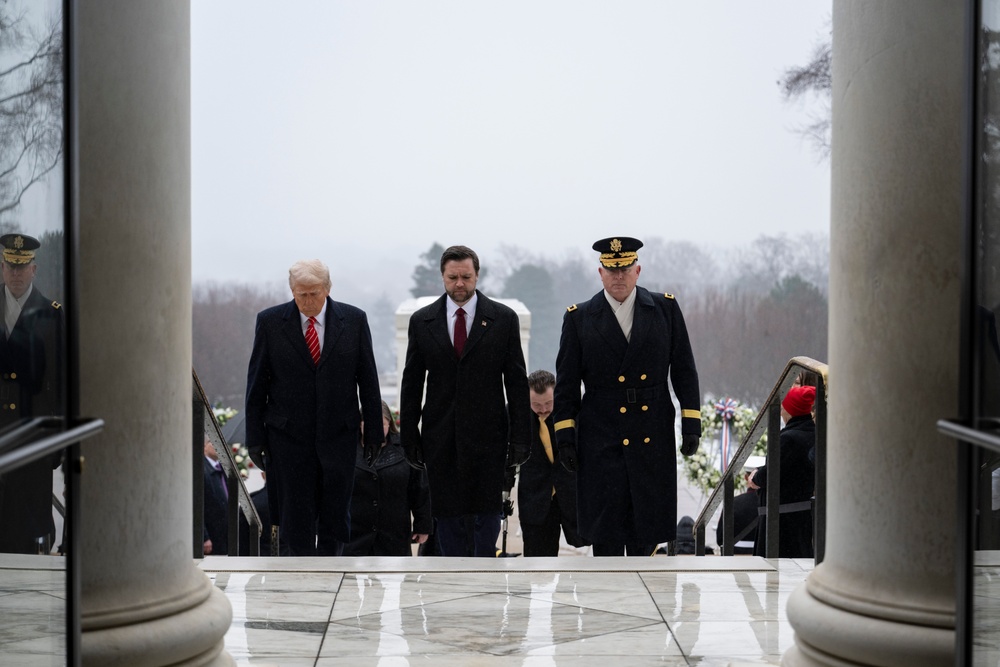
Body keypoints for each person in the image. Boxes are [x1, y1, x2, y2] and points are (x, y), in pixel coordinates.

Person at [553, 236, 702, 557]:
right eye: (611, 270)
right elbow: (566, 384)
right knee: (606, 529)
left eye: (625, 269)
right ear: (600, 273)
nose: (618, 276)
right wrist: (565, 436)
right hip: (600, 433)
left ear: (638, 271)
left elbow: (684, 370)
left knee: (646, 527)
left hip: (652, 428)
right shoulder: (579, 318)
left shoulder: (664, 309)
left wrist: (692, 422)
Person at [244, 259, 383, 556]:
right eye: (301, 294)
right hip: (288, 439)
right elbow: (257, 384)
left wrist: (373, 433)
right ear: (292, 291)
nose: (307, 301)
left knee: (335, 516)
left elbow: (368, 380)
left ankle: (333, 574)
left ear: (328, 289)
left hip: (339, 435)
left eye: (314, 293)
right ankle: (299, 579)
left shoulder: (354, 320)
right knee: (295, 518)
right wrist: (255, 438)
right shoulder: (270, 322)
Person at [399, 245, 531, 557]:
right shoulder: (423, 321)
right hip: (440, 436)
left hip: (489, 436)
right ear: (442, 277)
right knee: (447, 516)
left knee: (486, 515)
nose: (460, 283)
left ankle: (485, 576)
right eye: (453, 277)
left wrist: (521, 438)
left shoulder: (502, 319)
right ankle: (452, 575)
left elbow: (516, 382)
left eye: (466, 277)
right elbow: (412, 382)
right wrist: (409, 438)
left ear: (477, 276)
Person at [0, 233, 63, 554]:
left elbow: (62, 385)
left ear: (34, 270)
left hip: (32, 442)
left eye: (22, 267)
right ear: (1, 267)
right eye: (10, 266)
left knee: (25, 535)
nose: (16, 273)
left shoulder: (52, 315)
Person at [345, 401, 432, 556]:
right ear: (360, 424)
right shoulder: (346, 450)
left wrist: (422, 526)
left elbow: (420, 489)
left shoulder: (406, 450)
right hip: (355, 535)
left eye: (381, 424)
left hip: (394, 535)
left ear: (389, 424)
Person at [516, 370, 587, 556]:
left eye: (548, 403)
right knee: (538, 562)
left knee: (588, 558)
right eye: (536, 404)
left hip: (572, 495)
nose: (543, 409)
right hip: (535, 498)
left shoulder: (573, 414)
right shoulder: (516, 416)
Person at [747, 384, 816, 558]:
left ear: (789, 409)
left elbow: (771, 473)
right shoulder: (813, 433)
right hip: (800, 515)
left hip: (781, 520)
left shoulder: (788, 439)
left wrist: (755, 477)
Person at [202, 438, 229, 556]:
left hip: (225, 533)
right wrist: (204, 536)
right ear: (204, 447)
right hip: (211, 534)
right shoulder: (201, 468)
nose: (218, 446)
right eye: (213, 442)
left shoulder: (223, 468)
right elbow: (196, 505)